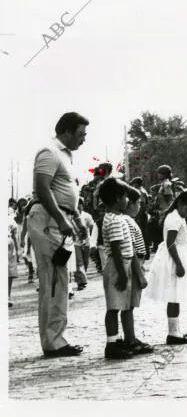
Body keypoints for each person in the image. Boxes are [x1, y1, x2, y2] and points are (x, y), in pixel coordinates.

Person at [27, 112, 89, 358]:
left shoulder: (65, 155)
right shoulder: (49, 152)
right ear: (66, 131)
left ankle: (55, 338)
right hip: (48, 220)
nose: (84, 139)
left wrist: (74, 219)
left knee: (60, 279)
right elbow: (43, 188)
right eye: (81, 134)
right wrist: (63, 219)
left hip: (58, 220)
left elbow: (63, 192)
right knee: (54, 279)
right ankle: (53, 342)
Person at [146, 190, 187, 345]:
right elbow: (170, 242)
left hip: (178, 255)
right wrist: (178, 264)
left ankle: (175, 331)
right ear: (180, 203)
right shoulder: (174, 219)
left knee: (175, 297)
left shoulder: (176, 216)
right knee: (174, 296)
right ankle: (173, 333)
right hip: (174, 258)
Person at [99, 177, 141, 359]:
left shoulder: (114, 217)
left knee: (120, 305)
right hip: (118, 265)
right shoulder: (115, 220)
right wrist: (123, 274)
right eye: (124, 196)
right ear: (117, 198)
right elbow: (116, 249)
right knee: (114, 307)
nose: (127, 200)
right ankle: (112, 344)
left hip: (123, 263)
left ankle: (119, 341)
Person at [121, 184, 154, 354]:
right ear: (129, 203)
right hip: (134, 265)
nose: (140, 206)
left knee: (130, 305)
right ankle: (130, 339)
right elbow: (131, 249)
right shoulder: (127, 221)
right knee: (128, 305)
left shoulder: (128, 220)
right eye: (138, 203)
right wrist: (140, 274)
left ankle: (131, 337)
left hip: (136, 263)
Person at [74, 198, 95, 290]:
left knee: (85, 261)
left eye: (80, 204)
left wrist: (90, 237)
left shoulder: (87, 215)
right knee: (79, 262)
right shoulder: (72, 215)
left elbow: (92, 227)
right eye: (77, 204)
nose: (78, 206)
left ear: (82, 205)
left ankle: (83, 277)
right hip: (75, 241)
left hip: (86, 241)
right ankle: (81, 281)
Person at [129, 177, 151, 259]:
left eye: (134, 183)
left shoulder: (140, 191)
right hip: (142, 214)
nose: (133, 185)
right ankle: (146, 253)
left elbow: (142, 205)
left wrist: (137, 216)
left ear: (137, 183)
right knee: (143, 234)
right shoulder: (143, 190)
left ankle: (145, 254)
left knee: (142, 234)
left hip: (141, 215)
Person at [8, 214, 19, 307]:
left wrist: (17, 249)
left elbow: (14, 235)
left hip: (8, 245)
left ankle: (7, 296)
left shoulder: (9, 218)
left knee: (9, 272)